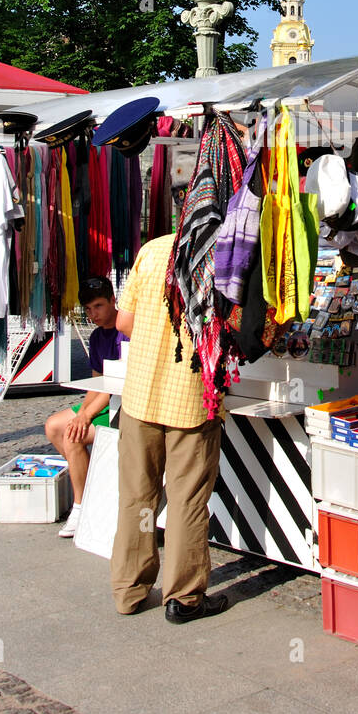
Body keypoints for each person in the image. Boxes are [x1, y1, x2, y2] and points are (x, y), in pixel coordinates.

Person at [110, 233, 228, 623]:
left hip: (141, 395)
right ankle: (183, 597)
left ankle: (129, 591)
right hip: (192, 398)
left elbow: (124, 322)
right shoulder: (224, 250)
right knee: (187, 500)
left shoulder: (152, 249)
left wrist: (155, 337)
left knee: (136, 498)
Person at [45, 276, 128, 538]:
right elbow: (97, 381)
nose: (93, 314)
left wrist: (86, 415)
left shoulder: (125, 331)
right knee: (53, 426)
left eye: (99, 306)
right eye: (89, 309)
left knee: (71, 436)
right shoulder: (96, 335)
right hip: (104, 398)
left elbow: (116, 384)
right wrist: (83, 412)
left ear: (114, 301)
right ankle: (92, 489)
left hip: (121, 405)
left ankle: (81, 507)